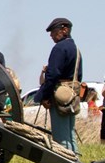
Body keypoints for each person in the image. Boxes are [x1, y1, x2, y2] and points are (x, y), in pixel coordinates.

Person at [33, 17, 82, 152]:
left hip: (59, 95)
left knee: (61, 138)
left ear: (64, 30)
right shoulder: (75, 48)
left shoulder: (59, 48)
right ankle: (75, 162)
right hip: (71, 95)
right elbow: (78, 76)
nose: (51, 35)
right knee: (70, 134)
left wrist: (45, 96)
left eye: (54, 32)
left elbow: (53, 75)